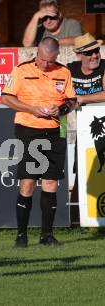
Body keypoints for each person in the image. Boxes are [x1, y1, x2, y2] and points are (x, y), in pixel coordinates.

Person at [1, 37, 76, 248]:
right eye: (43, 60)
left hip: (54, 130)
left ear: (57, 56)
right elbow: (5, 97)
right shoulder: (21, 70)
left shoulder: (64, 72)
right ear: (37, 53)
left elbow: (71, 101)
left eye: (50, 61)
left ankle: (47, 236)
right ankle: (21, 236)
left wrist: (60, 110)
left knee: (51, 183)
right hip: (28, 130)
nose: (46, 64)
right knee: (27, 183)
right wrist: (31, 109)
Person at [67, 33, 104, 206]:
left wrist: (82, 99)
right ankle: (75, 218)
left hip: (102, 129)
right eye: (90, 53)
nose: (95, 55)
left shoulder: (104, 67)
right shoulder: (69, 70)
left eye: (96, 51)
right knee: (80, 172)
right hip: (83, 131)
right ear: (79, 55)